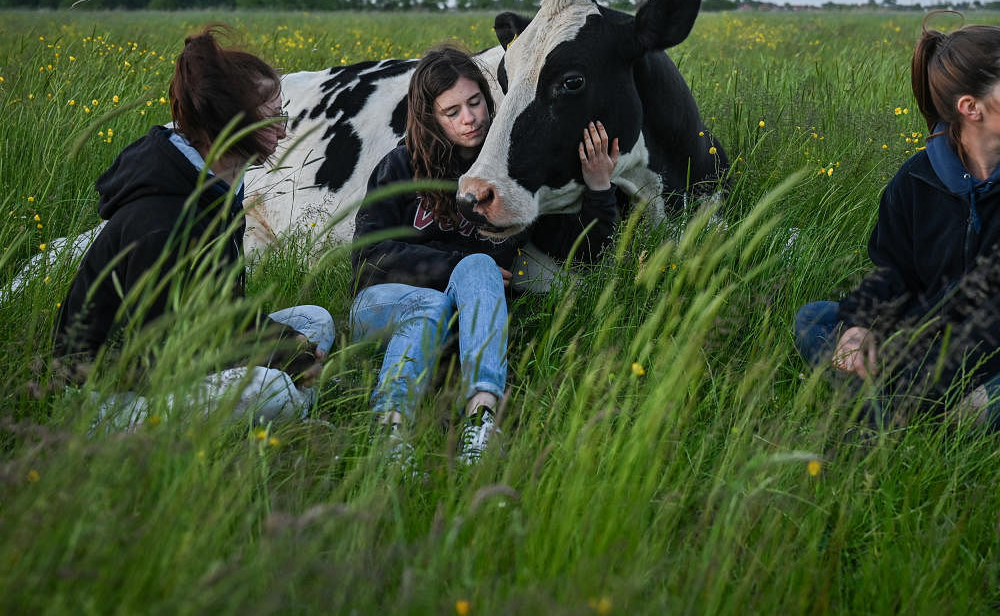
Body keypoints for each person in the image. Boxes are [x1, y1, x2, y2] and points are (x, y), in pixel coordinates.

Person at [793, 17, 1000, 429]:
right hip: (935, 342)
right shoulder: (916, 179)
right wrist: (860, 327)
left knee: (984, 403)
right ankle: (897, 400)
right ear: (971, 107)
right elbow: (893, 272)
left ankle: (891, 404)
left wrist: (922, 374)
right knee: (817, 319)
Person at [351, 43, 620, 468]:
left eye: (475, 102)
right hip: (384, 305)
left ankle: (482, 418)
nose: (470, 118)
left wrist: (599, 187)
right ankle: (391, 427)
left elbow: (584, 251)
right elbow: (367, 260)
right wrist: (453, 267)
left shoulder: (507, 174)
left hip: (468, 316)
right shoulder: (400, 167)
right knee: (448, 286)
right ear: (430, 117)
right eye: (452, 111)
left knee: (474, 268)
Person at [53, 25, 335, 429]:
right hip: (110, 395)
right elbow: (155, 353)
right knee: (272, 387)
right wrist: (278, 357)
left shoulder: (217, 190)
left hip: (189, 346)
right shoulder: (158, 220)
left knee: (315, 320)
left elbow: (219, 311)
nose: (284, 129)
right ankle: (292, 416)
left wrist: (288, 348)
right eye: (273, 116)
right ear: (231, 122)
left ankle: (285, 410)